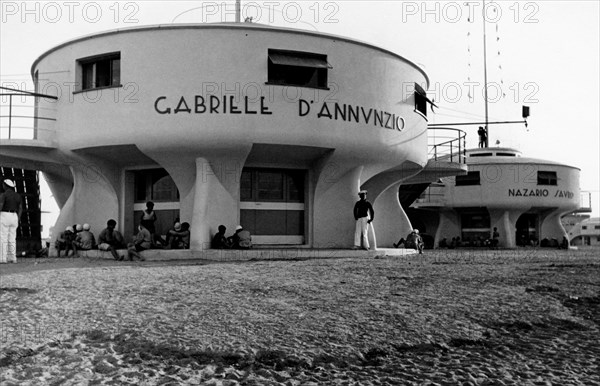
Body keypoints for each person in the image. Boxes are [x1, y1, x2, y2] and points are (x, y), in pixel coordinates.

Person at [0, 179, 23, 264]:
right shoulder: (18, 196)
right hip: (14, 216)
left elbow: (1, 205)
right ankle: (12, 258)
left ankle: (2, 259)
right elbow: (20, 208)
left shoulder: (3, 195)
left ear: (5, 185)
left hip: (5, 215)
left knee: (3, 237)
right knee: (12, 238)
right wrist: (18, 218)